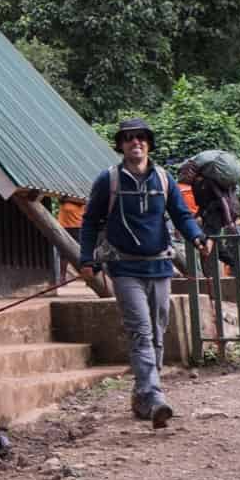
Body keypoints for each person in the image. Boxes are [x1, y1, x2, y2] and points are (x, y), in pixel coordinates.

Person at [78, 118, 210, 428]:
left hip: (160, 266)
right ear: (121, 145)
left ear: (148, 143)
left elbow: (181, 215)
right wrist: (86, 257)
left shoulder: (163, 179)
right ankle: (153, 395)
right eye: (128, 138)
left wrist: (197, 237)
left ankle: (143, 396)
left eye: (140, 138)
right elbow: (90, 221)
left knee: (159, 329)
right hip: (124, 269)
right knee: (141, 331)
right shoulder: (108, 180)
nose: (135, 143)